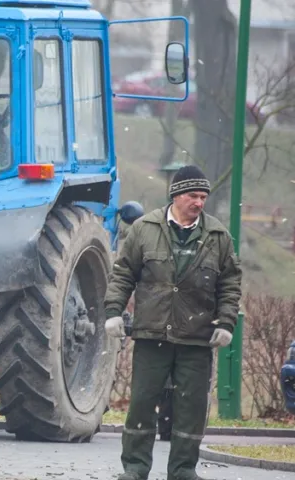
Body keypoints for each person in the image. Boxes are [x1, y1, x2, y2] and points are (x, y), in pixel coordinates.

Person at [103, 165, 243, 480]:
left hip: (197, 338)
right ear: (176, 195)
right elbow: (124, 272)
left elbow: (230, 284)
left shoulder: (218, 236)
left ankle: (183, 470)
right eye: (193, 195)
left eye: (204, 196)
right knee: (142, 402)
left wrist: (226, 322)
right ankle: (135, 469)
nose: (199, 202)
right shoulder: (144, 229)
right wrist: (113, 310)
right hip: (152, 335)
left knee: (191, 409)